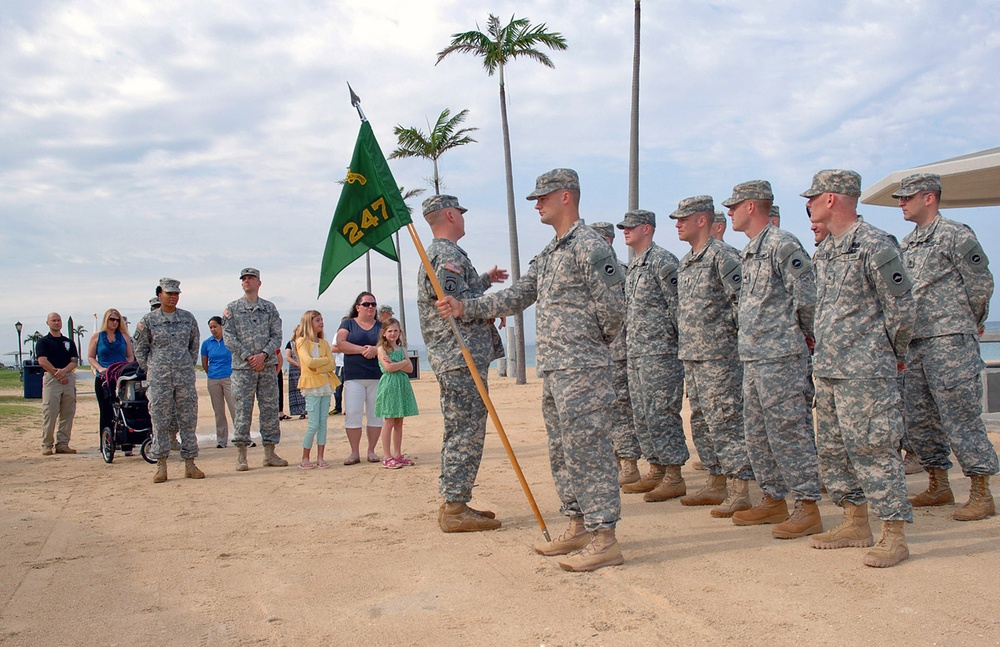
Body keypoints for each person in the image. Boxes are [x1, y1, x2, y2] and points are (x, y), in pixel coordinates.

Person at [437, 168, 626, 572]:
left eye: (543, 197)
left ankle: (605, 537)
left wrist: (591, 345)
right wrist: (465, 307)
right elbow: (519, 295)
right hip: (555, 369)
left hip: (583, 369)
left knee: (590, 451)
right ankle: (577, 524)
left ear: (567, 197)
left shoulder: (590, 246)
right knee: (562, 452)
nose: (537, 204)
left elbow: (615, 309)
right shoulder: (551, 252)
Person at [803, 169, 915, 567]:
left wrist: (891, 351)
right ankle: (855, 521)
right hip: (830, 368)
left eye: (813, 198)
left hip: (866, 371)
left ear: (832, 198)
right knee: (833, 451)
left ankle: (894, 533)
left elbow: (902, 308)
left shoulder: (875, 245)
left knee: (874, 449)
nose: (809, 205)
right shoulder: (825, 251)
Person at [894, 172, 998, 521]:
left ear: (929, 197)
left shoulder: (956, 234)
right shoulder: (907, 244)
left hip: (950, 341)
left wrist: (969, 321)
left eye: (908, 197)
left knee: (961, 418)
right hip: (916, 344)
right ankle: (939, 485)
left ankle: (981, 493)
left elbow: (980, 283)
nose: (901, 203)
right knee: (919, 421)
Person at [724, 179, 824, 539]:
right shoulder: (751, 251)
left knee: (789, 433)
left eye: (733, 206)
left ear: (752, 206)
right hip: (754, 358)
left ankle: (807, 506)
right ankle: (773, 499)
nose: (729, 213)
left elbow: (808, 296)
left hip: (782, 357)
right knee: (758, 435)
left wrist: (802, 334)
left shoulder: (782, 245)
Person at [417, 194, 507, 531]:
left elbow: (456, 293)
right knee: (466, 431)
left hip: (454, 355)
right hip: (460, 355)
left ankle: (455, 501)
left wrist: (484, 280)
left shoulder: (443, 255)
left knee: (461, 428)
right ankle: (455, 507)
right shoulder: (447, 255)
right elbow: (453, 303)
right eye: (461, 214)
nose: (464, 220)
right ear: (451, 215)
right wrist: (493, 306)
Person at [671, 196, 753, 517]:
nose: (677, 224)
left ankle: (740, 489)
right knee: (702, 419)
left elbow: (742, 303)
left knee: (727, 420)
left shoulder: (723, 256)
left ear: (701, 220)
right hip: (694, 357)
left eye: (683, 218)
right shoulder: (687, 261)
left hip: (721, 357)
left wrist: (736, 345)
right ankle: (716, 481)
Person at [617, 209, 688, 503]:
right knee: (644, 415)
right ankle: (656, 468)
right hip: (637, 353)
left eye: (631, 227)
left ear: (647, 229)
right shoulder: (634, 267)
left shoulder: (662, 262)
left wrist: (676, 346)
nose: (625, 231)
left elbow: (678, 307)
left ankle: (674, 475)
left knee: (662, 413)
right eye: (623, 227)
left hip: (661, 353)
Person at [133, 278, 205, 482]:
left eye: (176, 294)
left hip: (184, 378)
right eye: (169, 293)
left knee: (188, 419)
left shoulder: (187, 318)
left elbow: (193, 345)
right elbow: (140, 349)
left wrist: (186, 365)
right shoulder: (148, 321)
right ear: (159, 295)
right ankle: (161, 465)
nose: (173, 297)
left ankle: (190, 463)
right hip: (159, 378)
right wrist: (153, 369)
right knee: (160, 420)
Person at [589, 222, 642, 487]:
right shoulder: (585, 269)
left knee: (621, 410)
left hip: (617, 351)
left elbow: (623, 312)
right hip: (593, 354)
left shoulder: (619, 271)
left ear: (608, 240)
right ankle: (612, 459)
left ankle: (629, 464)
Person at [223, 267, 288, 471]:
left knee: (269, 410)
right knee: (243, 411)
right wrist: (248, 356)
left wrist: (264, 355)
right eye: (243, 279)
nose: (246, 281)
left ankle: (269, 453)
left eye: (251, 278)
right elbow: (229, 337)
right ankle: (241, 455)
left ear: (259, 283)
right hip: (243, 369)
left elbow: (276, 335)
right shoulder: (232, 309)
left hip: (267, 367)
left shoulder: (269, 308)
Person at [337, 291, 384, 465]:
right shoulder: (348, 324)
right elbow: (341, 344)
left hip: (377, 377)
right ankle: (354, 452)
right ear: (358, 307)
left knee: (375, 415)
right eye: (366, 304)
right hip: (354, 376)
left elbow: (391, 344)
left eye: (373, 304)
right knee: (353, 413)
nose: (370, 307)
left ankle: (371, 450)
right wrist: (363, 350)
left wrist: (376, 350)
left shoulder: (381, 326)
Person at [294, 311, 341, 470]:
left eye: (322, 320)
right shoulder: (301, 342)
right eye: (317, 320)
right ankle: (305, 457)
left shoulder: (324, 343)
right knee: (313, 423)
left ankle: (320, 457)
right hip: (311, 386)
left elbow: (332, 364)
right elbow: (309, 362)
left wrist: (321, 364)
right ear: (309, 322)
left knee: (323, 423)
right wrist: (323, 362)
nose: (321, 323)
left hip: (325, 385)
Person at [88, 308, 135, 453]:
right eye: (111, 319)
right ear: (106, 320)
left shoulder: (124, 337)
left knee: (126, 408)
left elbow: (130, 356)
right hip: (104, 377)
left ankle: (127, 443)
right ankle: (106, 444)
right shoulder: (97, 337)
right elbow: (90, 357)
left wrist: (125, 368)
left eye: (117, 320)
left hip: (121, 378)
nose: (114, 322)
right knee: (106, 411)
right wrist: (99, 368)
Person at [374, 318, 419, 469]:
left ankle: (397, 453)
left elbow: (410, 369)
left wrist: (396, 365)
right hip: (389, 385)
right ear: (384, 333)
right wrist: (402, 364)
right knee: (389, 421)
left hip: (402, 385)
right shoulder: (381, 349)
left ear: (400, 332)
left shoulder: (402, 349)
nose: (393, 333)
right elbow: (388, 369)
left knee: (399, 421)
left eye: (396, 330)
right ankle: (387, 456)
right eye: (390, 331)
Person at [36, 312, 79, 455]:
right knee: (50, 412)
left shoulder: (68, 342)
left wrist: (64, 371)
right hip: (51, 379)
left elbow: (74, 361)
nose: (56, 323)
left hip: (67, 378)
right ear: (48, 323)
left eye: (58, 320)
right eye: (53, 320)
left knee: (68, 412)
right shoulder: (43, 342)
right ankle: (47, 444)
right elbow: (42, 361)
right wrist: (57, 374)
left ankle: (63, 444)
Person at [201, 316, 237, 449]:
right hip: (213, 378)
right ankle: (221, 439)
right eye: (210, 327)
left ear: (222, 326)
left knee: (234, 407)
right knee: (219, 410)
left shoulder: (229, 341)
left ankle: (241, 436)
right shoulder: (206, 343)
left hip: (229, 377)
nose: (213, 329)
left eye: (215, 326)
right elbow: (205, 363)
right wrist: (211, 373)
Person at [285, 329, 307, 419]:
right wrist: (298, 364)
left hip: (305, 368)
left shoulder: (306, 342)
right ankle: (299, 411)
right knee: (296, 390)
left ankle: (306, 410)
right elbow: (288, 356)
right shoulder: (290, 343)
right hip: (295, 369)